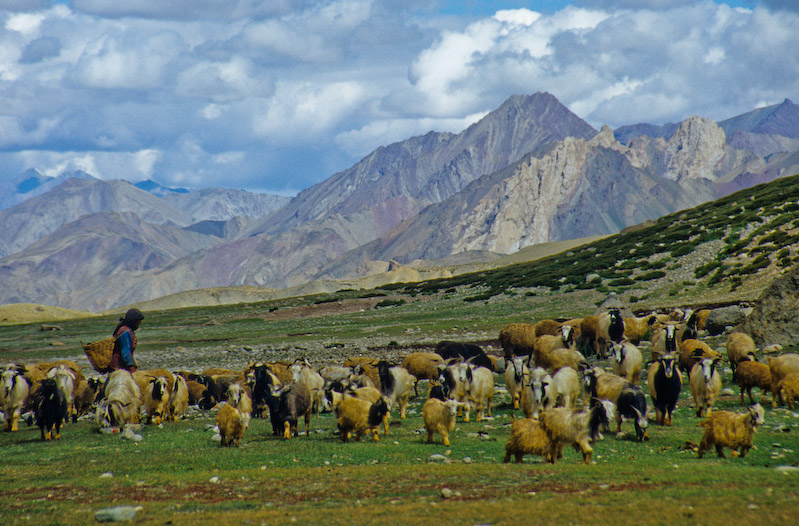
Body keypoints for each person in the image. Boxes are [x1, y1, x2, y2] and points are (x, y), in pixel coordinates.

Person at [110, 308, 145, 373]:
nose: (140, 322)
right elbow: (126, 352)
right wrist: (132, 368)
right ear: (134, 320)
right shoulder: (125, 332)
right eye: (139, 320)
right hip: (120, 368)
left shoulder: (128, 330)